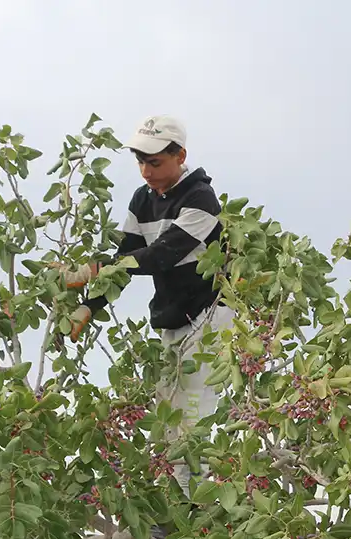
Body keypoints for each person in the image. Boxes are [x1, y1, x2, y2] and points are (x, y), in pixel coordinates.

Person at [60, 115, 230, 505]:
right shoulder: (142, 199)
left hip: (208, 316)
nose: (146, 171)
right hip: (171, 321)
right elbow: (127, 257)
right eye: (141, 161)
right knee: (164, 417)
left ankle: (199, 513)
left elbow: (161, 255)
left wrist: (92, 270)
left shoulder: (201, 199)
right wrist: (90, 307)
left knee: (192, 416)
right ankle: (173, 510)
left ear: (180, 156)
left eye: (155, 162)